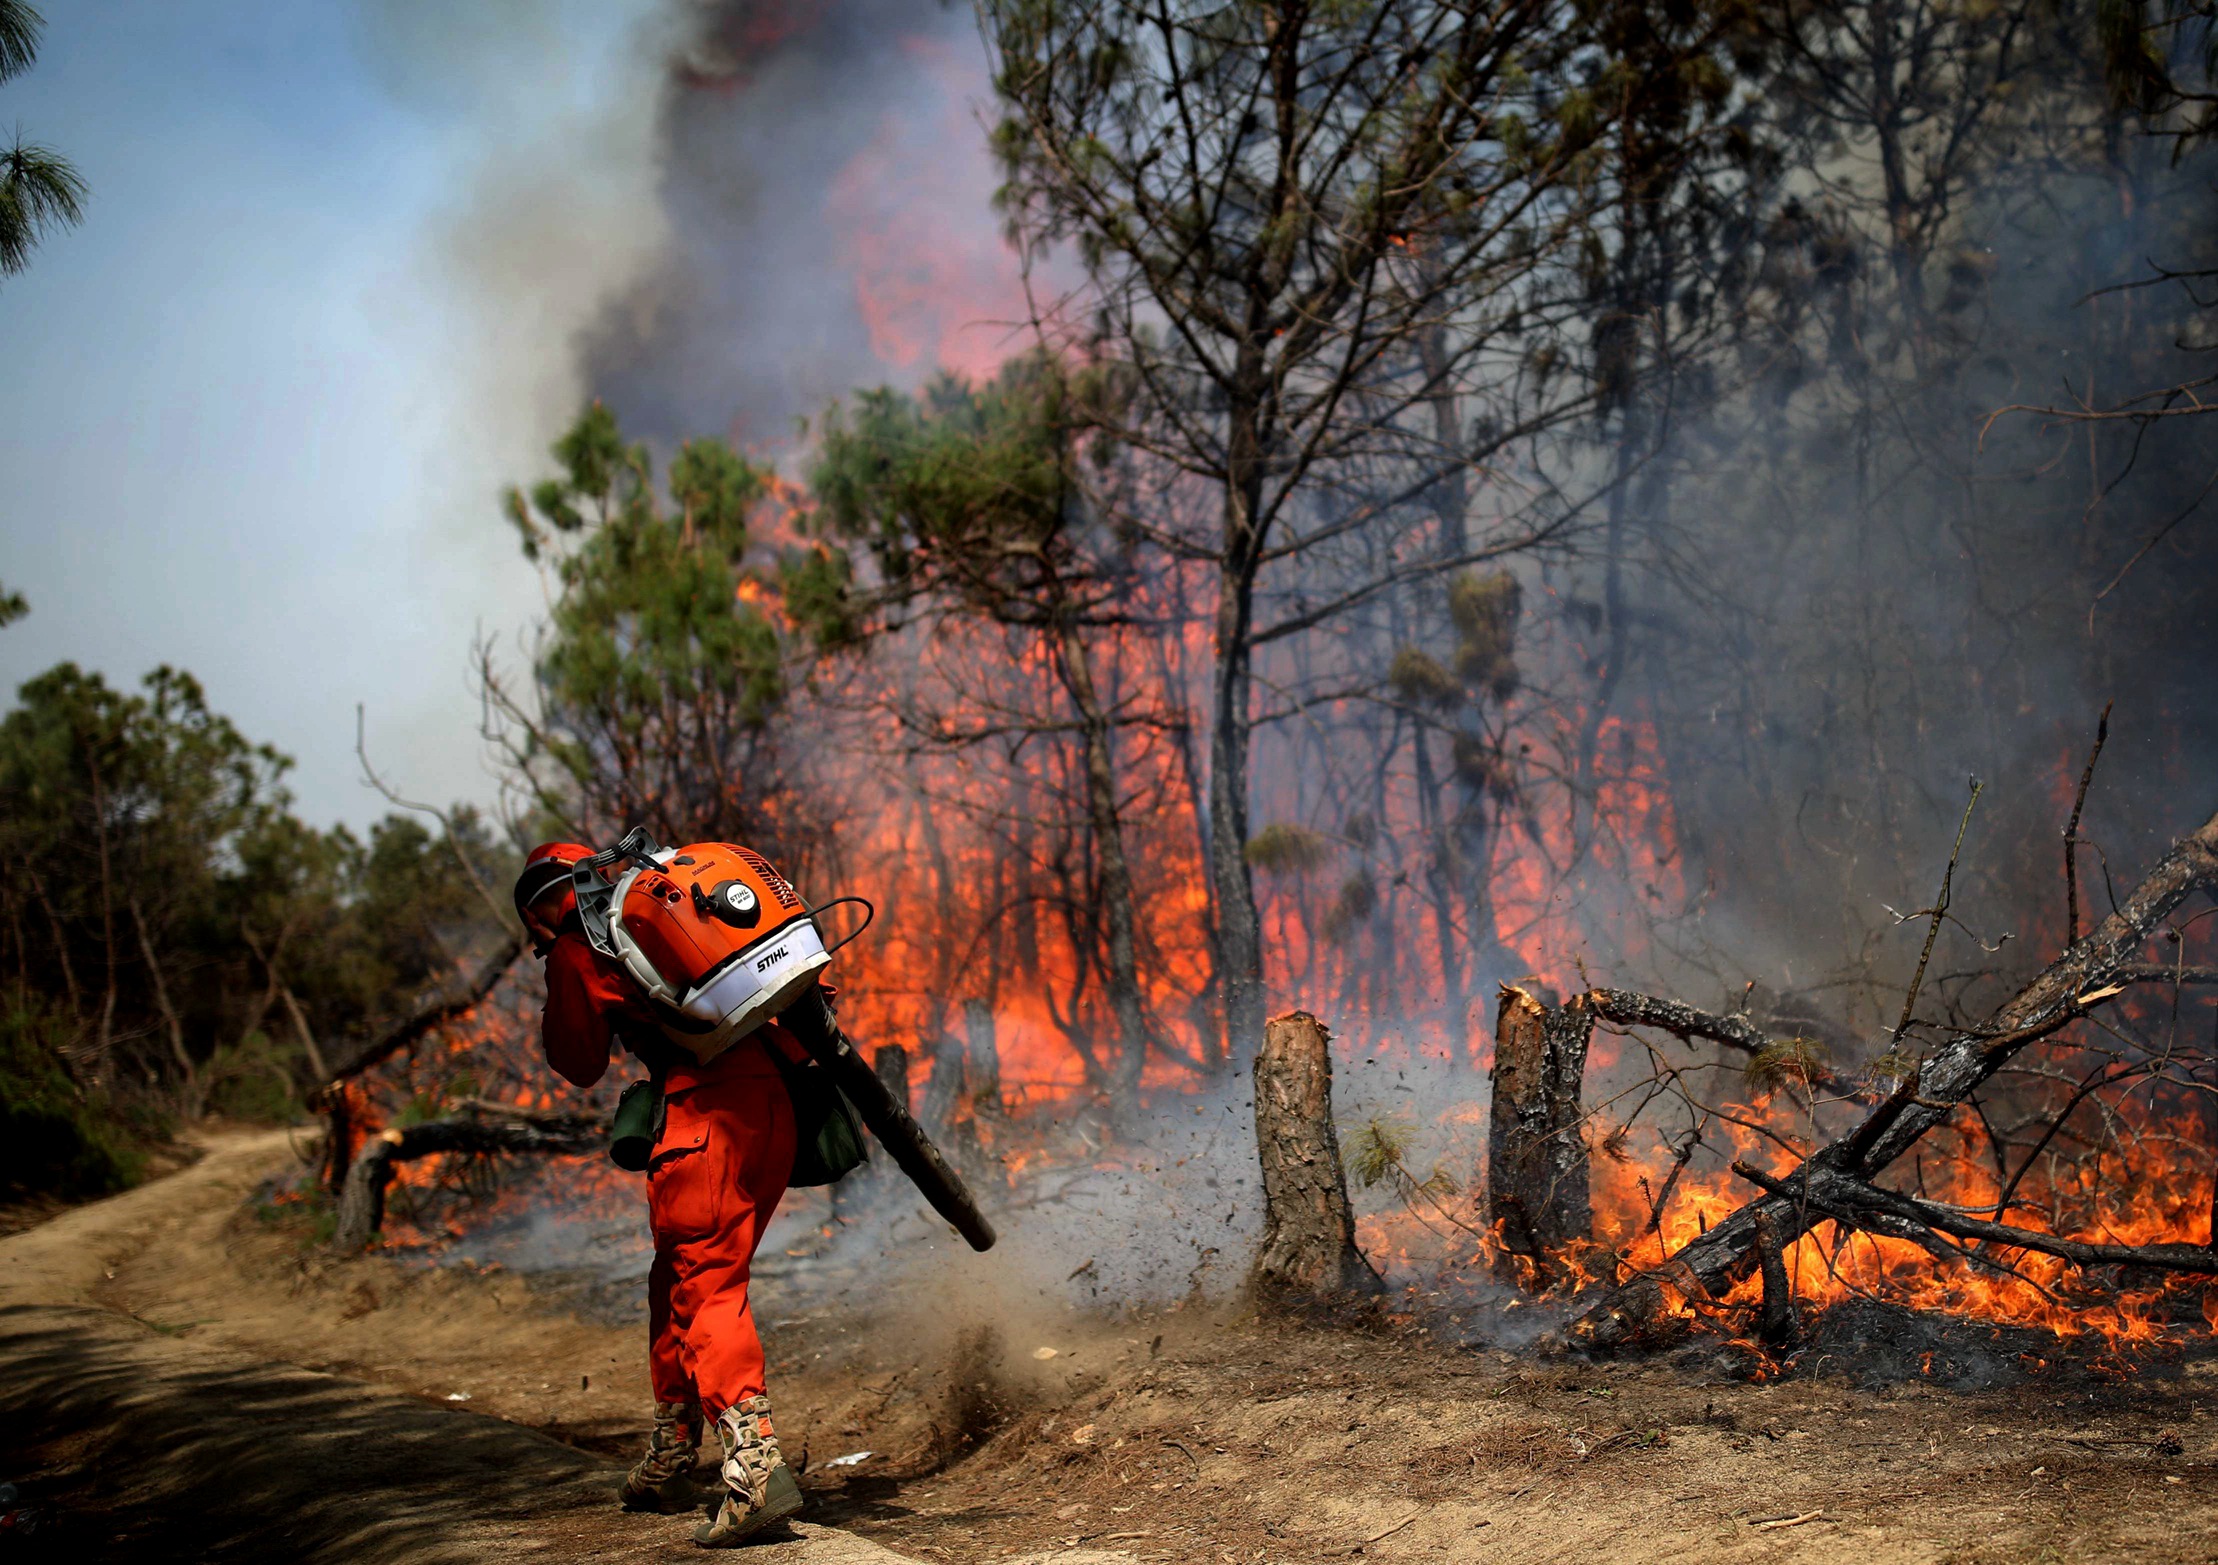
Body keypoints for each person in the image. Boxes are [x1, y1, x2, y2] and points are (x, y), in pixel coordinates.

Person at [514, 840, 805, 1547]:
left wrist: (562, 967)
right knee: (674, 1278)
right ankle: (674, 1447)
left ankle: (755, 1468)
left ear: (539, 907)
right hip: (774, 1105)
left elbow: (578, 1060)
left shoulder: (580, 941)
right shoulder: (666, 900)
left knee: (706, 1286)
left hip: (703, 1116)